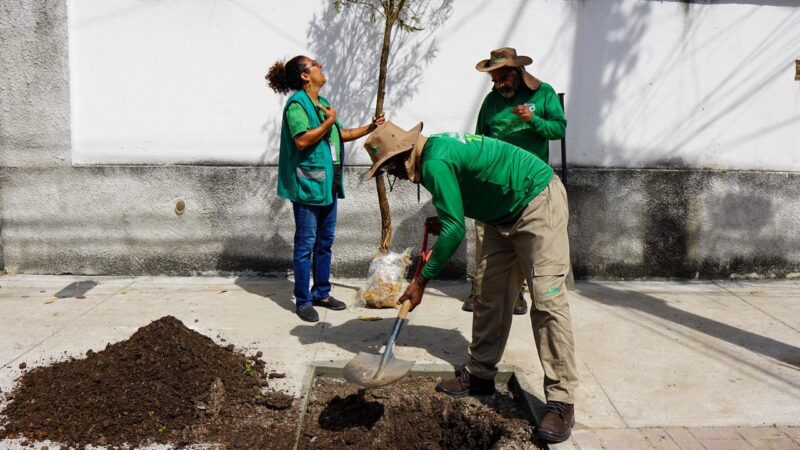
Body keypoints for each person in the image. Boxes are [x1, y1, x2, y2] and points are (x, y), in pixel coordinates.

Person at [363, 122, 577, 444]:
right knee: (489, 294)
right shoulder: (434, 151)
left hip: (536, 200)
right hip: (499, 214)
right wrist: (449, 213)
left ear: (403, 156)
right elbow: (464, 195)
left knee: (547, 301)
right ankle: (480, 375)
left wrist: (420, 281)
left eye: (391, 169)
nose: (395, 177)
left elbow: (454, 232)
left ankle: (562, 402)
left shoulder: (433, 161)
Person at [266, 55, 384, 323]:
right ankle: (303, 300)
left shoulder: (324, 103)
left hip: (328, 186)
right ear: (306, 76)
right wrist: (329, 122)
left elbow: (339, 134)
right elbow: (302, 141)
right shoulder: (297, 104)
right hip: (308, 185)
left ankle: (321, 292)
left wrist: (370, 127)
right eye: (316, 63)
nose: (322, 66)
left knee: (325, 243)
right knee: (305, 245)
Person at [464, 47, 567, 316]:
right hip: (494, 185)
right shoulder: (491, 101)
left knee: (524, 241)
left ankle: (518, 294)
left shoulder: (542, 93)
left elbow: (558, 129)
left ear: (517, 72)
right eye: (494, 80)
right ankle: (481, 291)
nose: (498, 85)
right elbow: (479, 139)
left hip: (530, 187)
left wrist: (533, 120)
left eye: (502, 78)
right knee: (486, 237)